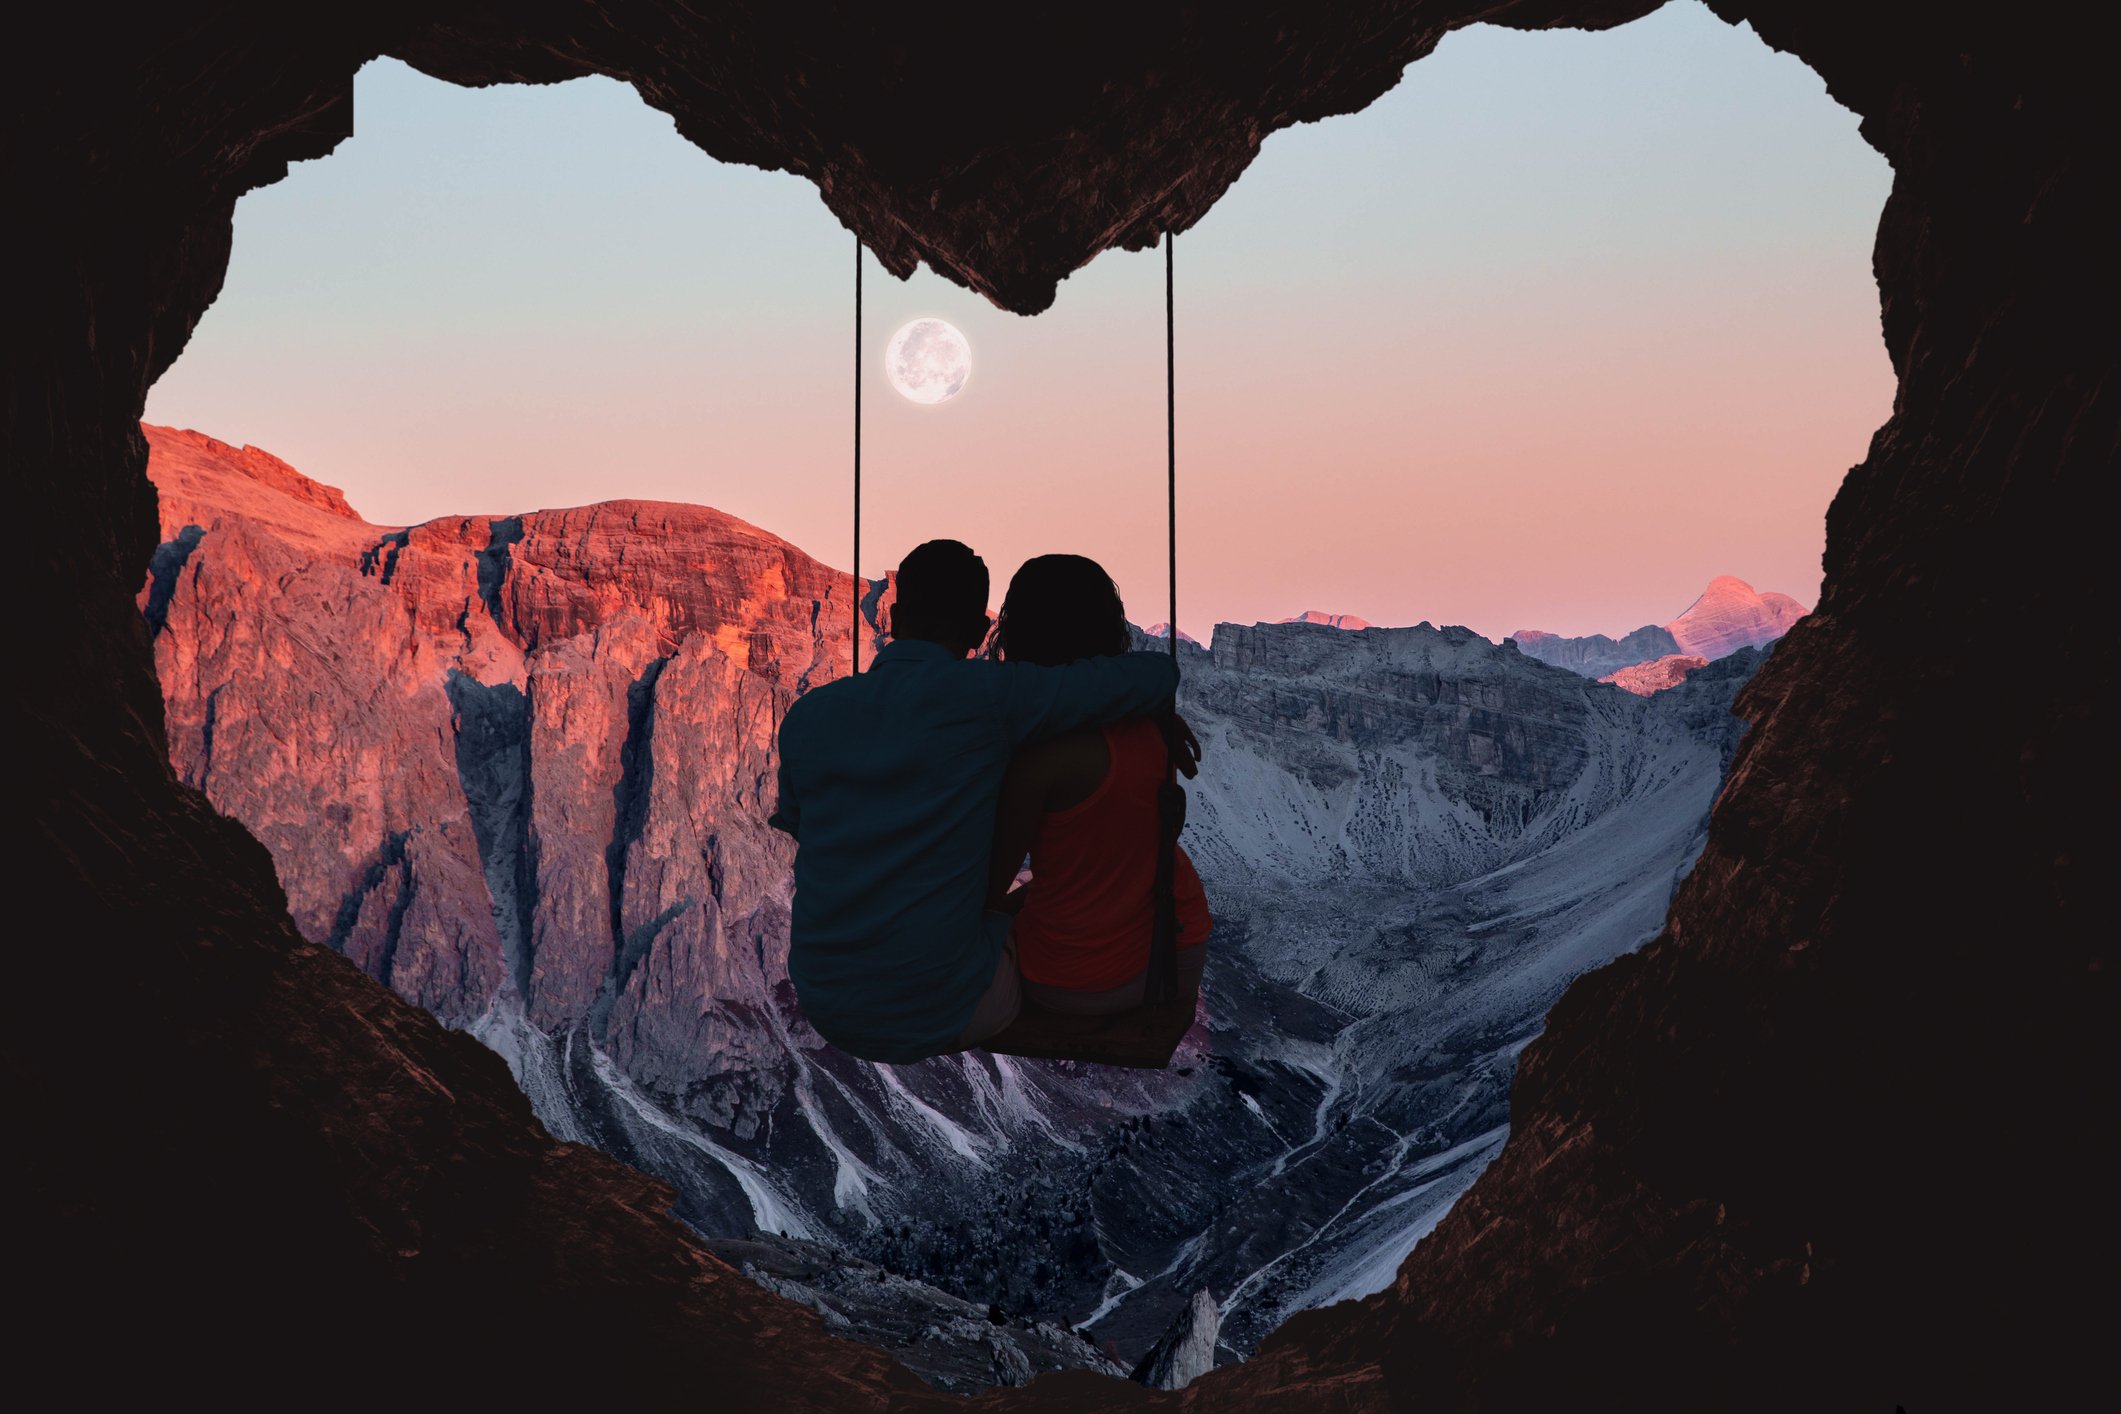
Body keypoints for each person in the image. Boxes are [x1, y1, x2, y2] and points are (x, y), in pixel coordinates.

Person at [767, 539, 1194, 1064]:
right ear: (977, 632)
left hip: (825, 1000)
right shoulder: (991, 697)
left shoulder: (808, 718)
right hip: (942, 1006)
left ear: (895, 616)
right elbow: (1155, 675)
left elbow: (799, 822)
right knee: (1027, 925)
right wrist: (1149, 713)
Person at [985, 555, 1211, 1015]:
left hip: (1073, 980)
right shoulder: (1153, 725)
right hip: (1177, 955)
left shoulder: (1040, 759)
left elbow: (990, 885)